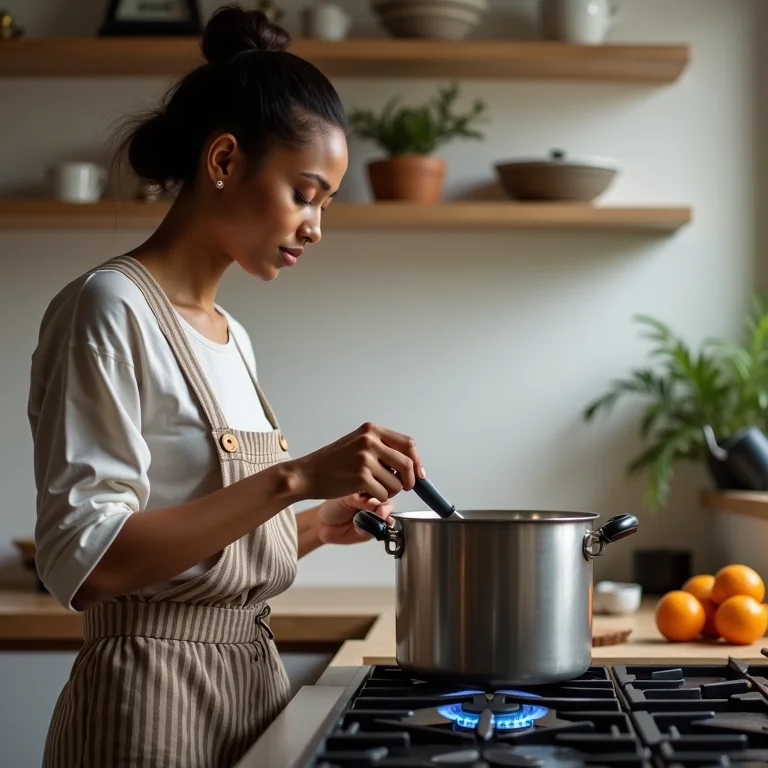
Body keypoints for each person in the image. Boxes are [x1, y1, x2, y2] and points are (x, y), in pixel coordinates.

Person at [27, 6, 425, 767]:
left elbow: (202, 546)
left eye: (327, 203)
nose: (316, 226)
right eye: (306, 193)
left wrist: (311, 525)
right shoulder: (108, 307)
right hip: (149, 697)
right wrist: (297, 477)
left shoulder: (229, 334)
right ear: (223, 161)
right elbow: (91, 559)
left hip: (249, 686)